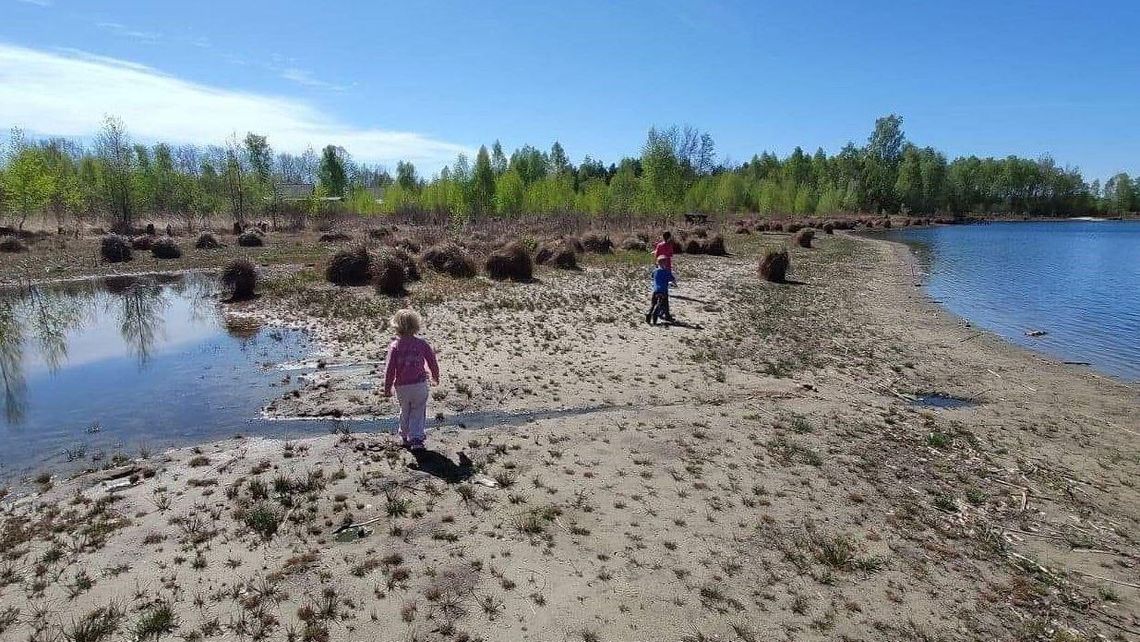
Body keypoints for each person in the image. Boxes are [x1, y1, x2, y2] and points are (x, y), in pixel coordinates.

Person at [383, 309, 440, 449]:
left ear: (396, 326)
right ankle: (416, 438)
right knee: (418, 411)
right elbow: (432, 361)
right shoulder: (421, 344)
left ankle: (404, 434)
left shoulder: (395, 346)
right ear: (416, 326)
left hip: (402, 387)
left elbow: (390, 369)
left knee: (405, 410)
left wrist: (387, 387)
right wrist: (435, 376)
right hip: (419, 385)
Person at [646, 255, 676, 325]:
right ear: (665, 263)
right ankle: (664, 315)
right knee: (665, 304)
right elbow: (672, 279)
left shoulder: (655, 271)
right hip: (663, 291)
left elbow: (652, 277)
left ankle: (649, 314)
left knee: (653, 304)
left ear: (658, 263)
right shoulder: (667, 272)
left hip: (655, 290)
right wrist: (674, 284)